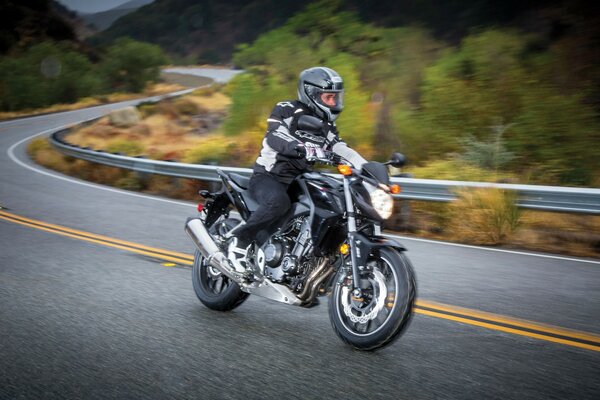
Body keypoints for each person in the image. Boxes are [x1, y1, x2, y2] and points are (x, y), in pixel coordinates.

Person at [227, 66, 367, 272]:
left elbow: (340, 148)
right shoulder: (287, 109)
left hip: (298, 181)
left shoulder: (326, 127)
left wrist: (366, 166)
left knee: (330, 204)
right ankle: (240, 240)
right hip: (269, 176)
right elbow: (275, 135)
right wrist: (298, 147)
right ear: (312, 94)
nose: (334, 103)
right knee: (278, 202)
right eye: (329, 98)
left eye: (336, 98)